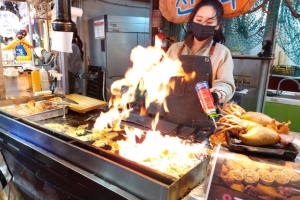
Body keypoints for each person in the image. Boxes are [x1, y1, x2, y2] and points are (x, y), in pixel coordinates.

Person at [162, 0, 235, 131]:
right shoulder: (175, 49)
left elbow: (226, 85)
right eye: (199, 19)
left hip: (202, 125)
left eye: (209, 22)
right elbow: (160, 79)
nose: (203, 25)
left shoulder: (221, 52)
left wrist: (217, 94)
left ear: (217, 25)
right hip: (170, 120)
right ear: (192, 21)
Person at [67, 29, 84, 94]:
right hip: (72, 86)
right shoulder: (71, 46)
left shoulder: (72, 47)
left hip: (73, 87)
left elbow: (64, 65)